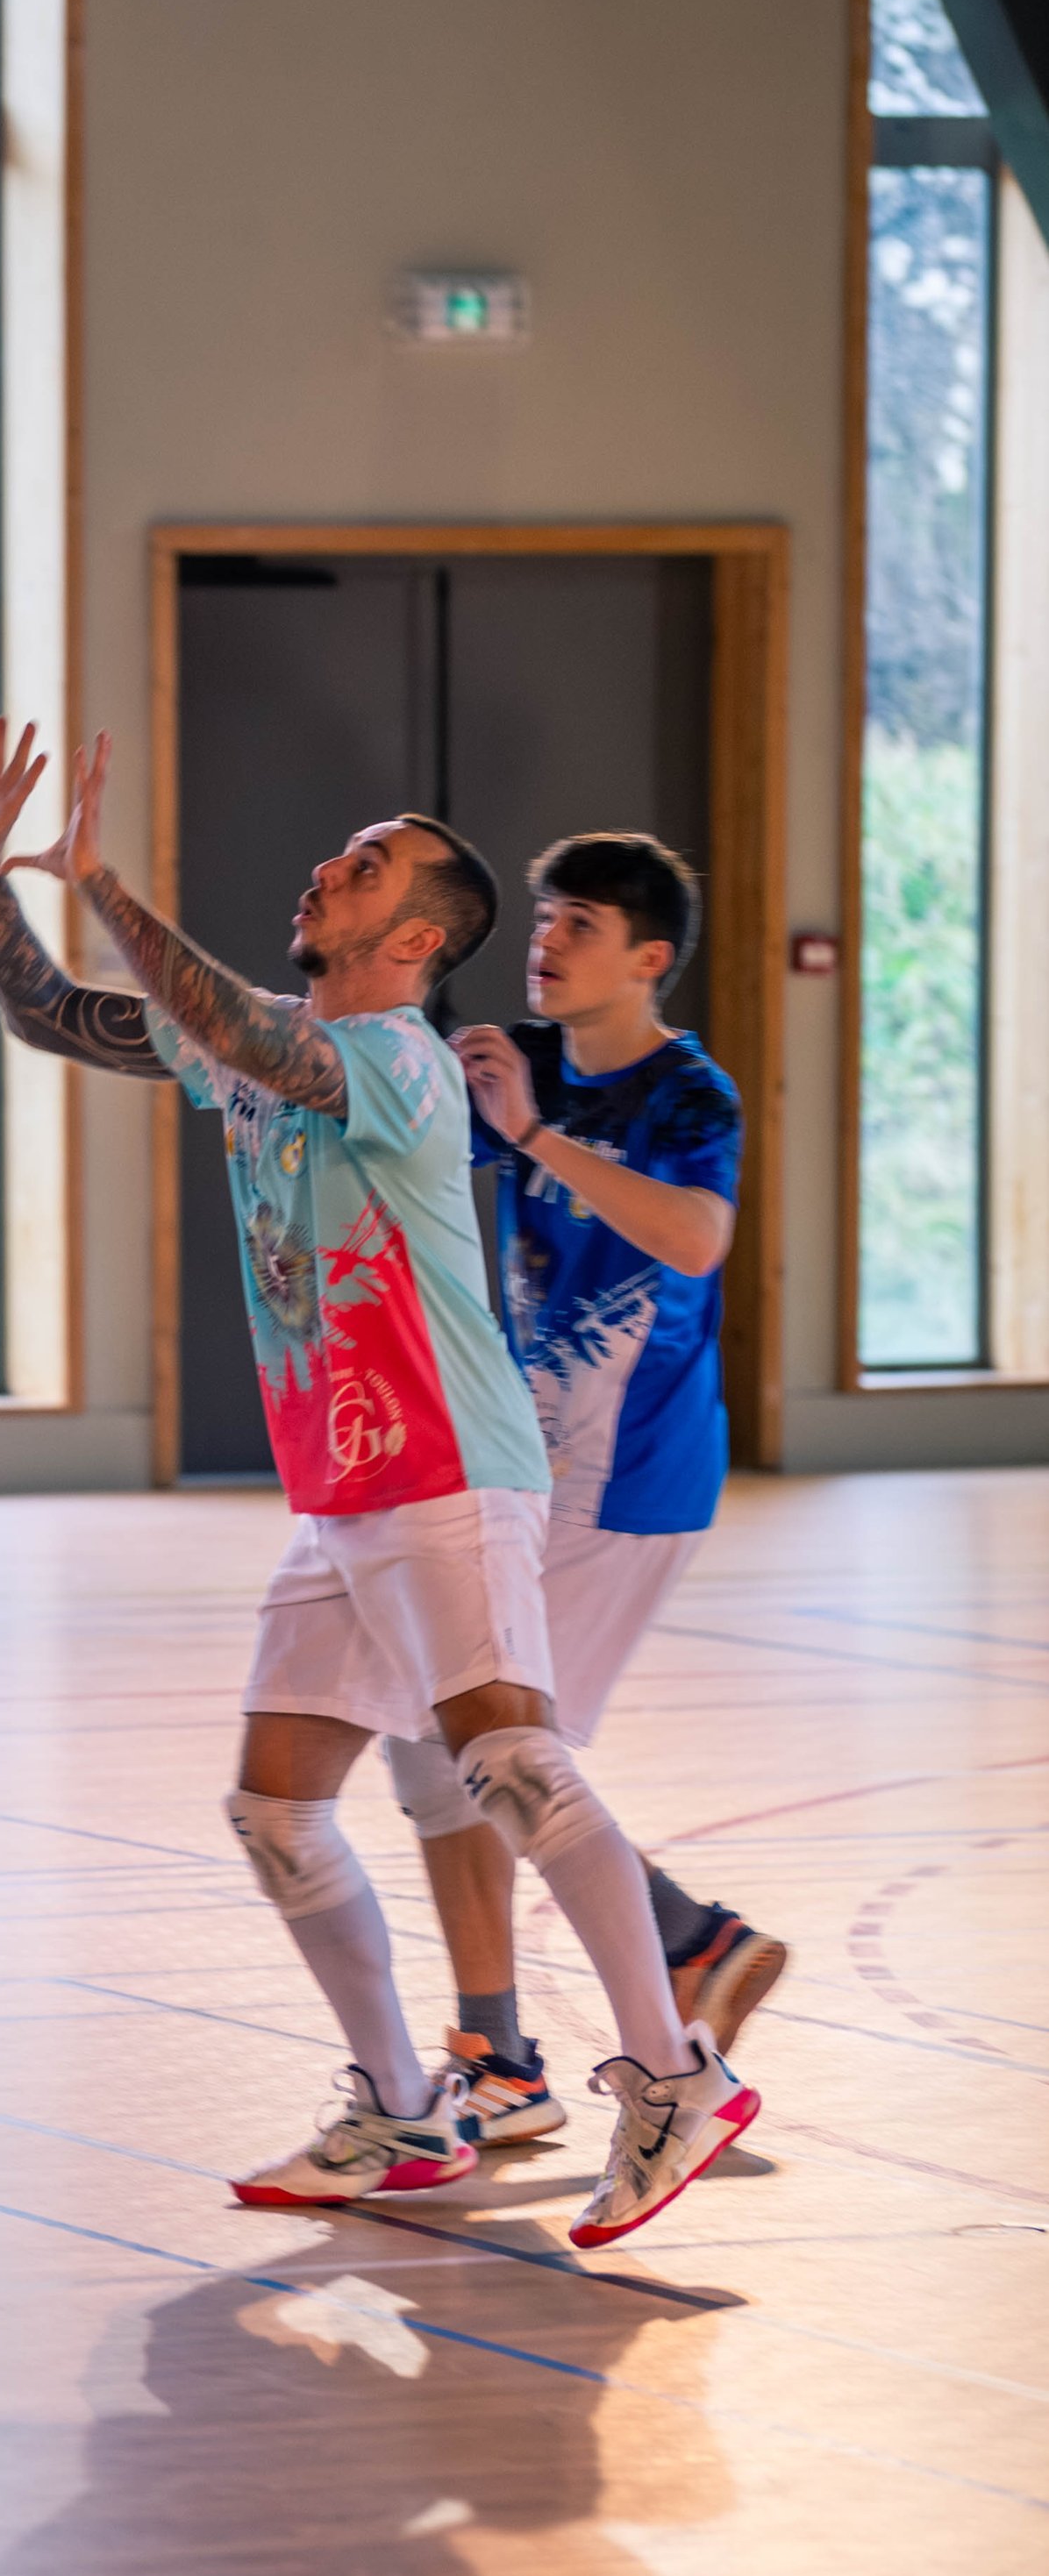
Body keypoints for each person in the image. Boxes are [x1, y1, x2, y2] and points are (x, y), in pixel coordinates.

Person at [0, 720, 758, 2249]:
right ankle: (403, 2105)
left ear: (411, 939)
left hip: (449, 1468)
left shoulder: (388, 1062)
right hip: (346, 1492)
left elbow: (257, 1043)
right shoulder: (264, 1035)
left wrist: (106, 877)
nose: (327, 867)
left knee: (510, 1764)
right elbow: (55, 1018)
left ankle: (672, 2074)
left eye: (365, 866)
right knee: (277, 1806)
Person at [385, 833, 786, 2148]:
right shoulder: (516, 1056)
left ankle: (515, 2050)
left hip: (631, 1481)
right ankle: (672, 1947)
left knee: (475, 1745)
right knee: (445, 1736)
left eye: (580, 927)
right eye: (543, 920)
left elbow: (692, 1236)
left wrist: (536, 1137)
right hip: (517, 1464)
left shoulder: (689, 1096)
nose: (546, 944)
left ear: (651, 960)